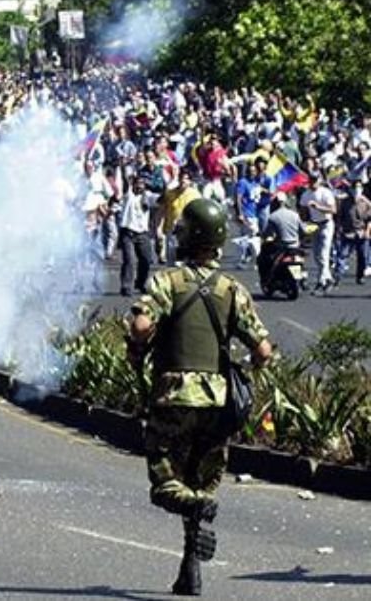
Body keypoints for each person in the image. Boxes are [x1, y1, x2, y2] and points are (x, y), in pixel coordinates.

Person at [128, 198, 273, 596]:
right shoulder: (233, 290)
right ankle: (190, 571)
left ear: (187, 237)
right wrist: (241, 371)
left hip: (174, 396)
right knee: (201, 483)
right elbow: (262, 350)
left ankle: (191, 508)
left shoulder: (168, 282)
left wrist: (138, 346)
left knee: (165, 483)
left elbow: (141, 326)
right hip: (217, 402)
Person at [118, 176, 156, 296]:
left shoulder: (148, 197)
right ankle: (126, 286)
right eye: (137, 183)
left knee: (146, 259)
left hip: (142, 233)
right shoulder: (128, 196)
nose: (140, 186)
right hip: (128, 232)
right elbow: (123, 183)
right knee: (130, 260)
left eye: (142, 184)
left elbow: (162, 194)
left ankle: (140, 283)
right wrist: (122, 168)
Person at [301, 172, 337, 294]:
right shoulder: (306, 194)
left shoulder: (325, 192)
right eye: (311, 180)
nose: (313, 183)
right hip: (314, 225)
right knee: (316, 255)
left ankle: (321, 282)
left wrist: (318, 207)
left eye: (315, 180)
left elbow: (333, 210)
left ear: (319, 180)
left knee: (323, 254)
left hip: (326, 224)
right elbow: (303, 210)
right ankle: (329, 278)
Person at [257, 193, 305, 284]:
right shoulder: (295, 215)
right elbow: (302, 230)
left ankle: (267, 279)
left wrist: (263, 235)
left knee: (263, 258)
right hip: (295, 246)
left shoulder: (273, 216)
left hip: (281, 246)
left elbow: (268, 233)